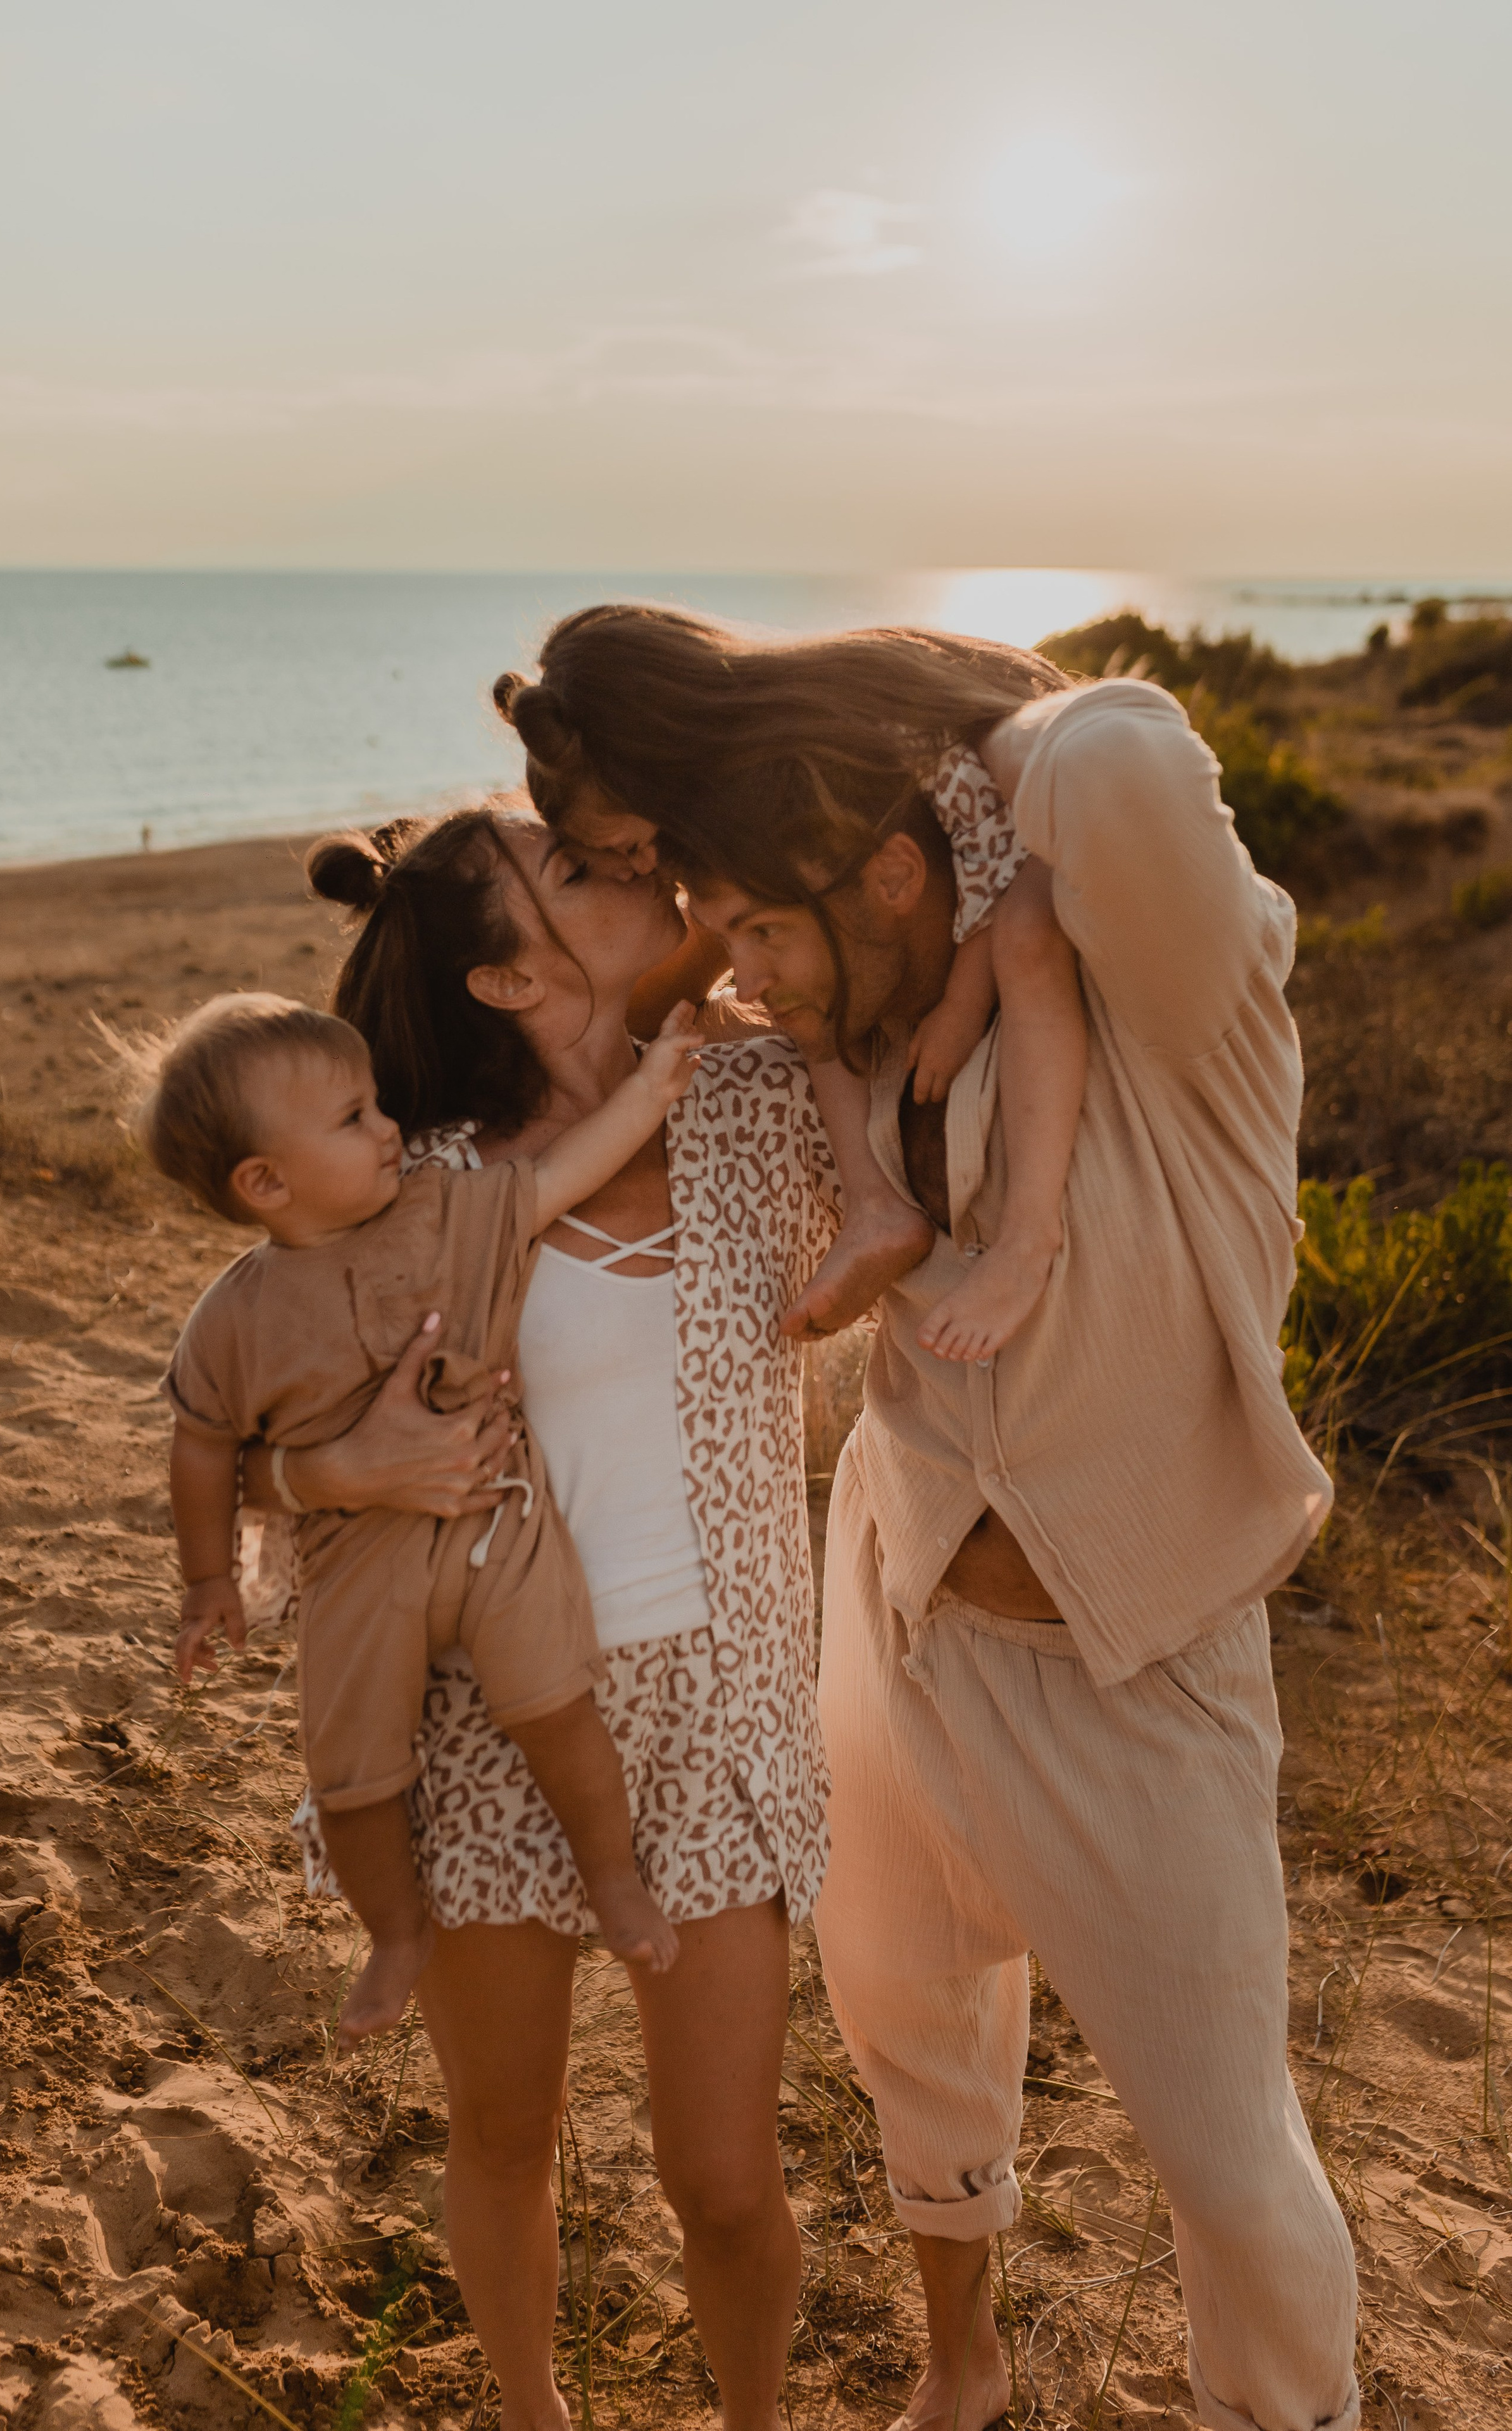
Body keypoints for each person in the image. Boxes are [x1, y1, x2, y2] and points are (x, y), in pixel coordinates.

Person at [496, 603, 1360, 2431]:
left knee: (1225, 2165)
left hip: (1129, 1656)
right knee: (906, 2022)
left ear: (898, 866)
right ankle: (961, 2373)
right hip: (897, 1603)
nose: (729, 959)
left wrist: (958, 747)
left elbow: (1121, 756)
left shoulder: (1170, 1002)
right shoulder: (870, 1026)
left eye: (738, 912)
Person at [240, 801, 839, 2431]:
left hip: (716, 1707)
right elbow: (246, 1427)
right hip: (474, 1725)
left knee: (722, 2173)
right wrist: (336, 1467)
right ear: (506, 980)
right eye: (573, 872)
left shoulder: (762, 1101)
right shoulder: (408, 1179)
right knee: (504, 2135)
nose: (636, 869)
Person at [137, 985, 699, 2047]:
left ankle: (614, 1877)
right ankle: (395, 1933)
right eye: (352, 1119)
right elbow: (203, 1442)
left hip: (499, 1519)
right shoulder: (235, 1317)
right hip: (355, 1565)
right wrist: (208, 1580)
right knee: (352, 1770)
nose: (390, 1126)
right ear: (264, 1182)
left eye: (375, 1102)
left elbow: (562, 1176)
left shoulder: (447, 1211)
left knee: (557, 1706)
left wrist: (655, 1084)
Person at [495, 660, 1090, 1363]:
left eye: (631, 846)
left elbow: (994, 854)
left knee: (1023, 949)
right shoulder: (725, 804)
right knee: (807, 1008)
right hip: (954, 869)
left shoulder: (818, 755)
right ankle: (874, 1207)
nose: (637, 868)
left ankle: (1029, 1236)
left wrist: (963, 1001)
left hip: (1028, 851)